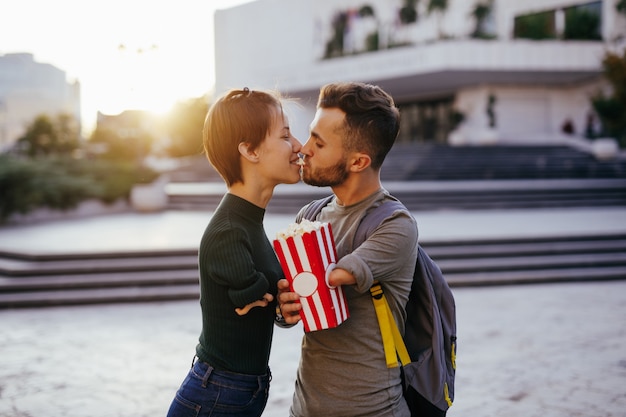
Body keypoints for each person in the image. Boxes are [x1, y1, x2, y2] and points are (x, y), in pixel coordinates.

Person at [277, 82, 418, 417]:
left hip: (373, 410)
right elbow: (293, 310)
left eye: (319, 143)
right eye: (310, 134)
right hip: (304, 408)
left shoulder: (394, 224)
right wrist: (283, 307)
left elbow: (335, 276)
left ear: (358, 161)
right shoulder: (309, 216)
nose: (304, 148)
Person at [167, 87, 302, 417]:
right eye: (285, 136)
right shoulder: (229, 229)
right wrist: (271, 295)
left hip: (236, 390)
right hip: (216, 395)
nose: (299, 146)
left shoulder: (248, 222)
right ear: (250, 150)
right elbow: (252, 295)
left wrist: (280, 306)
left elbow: (260, 303)